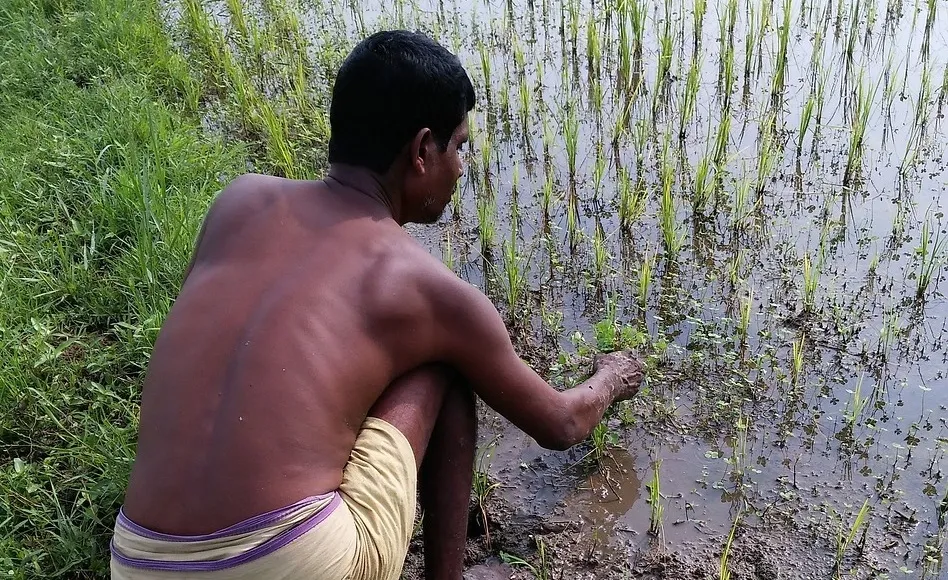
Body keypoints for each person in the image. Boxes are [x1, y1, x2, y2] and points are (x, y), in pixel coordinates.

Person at [110, 29, 644, 580]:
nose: (462, 167)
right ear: (420, 151)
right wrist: (611, 377)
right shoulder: (423, 286)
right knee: (446, 365)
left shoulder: (238, 201)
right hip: (285, 560)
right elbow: (559, 424)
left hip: (135, 558)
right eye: (458, 146)